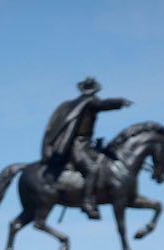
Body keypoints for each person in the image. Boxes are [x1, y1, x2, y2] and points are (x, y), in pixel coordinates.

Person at [41, 76, 132, 220]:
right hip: (78, 145)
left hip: (85, 144)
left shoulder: (74, 103)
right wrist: (119, 102)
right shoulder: (89, 101)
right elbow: (104, 104)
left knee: (104, 162)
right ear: (93, 90)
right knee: (92, 169)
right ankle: (87, 202)